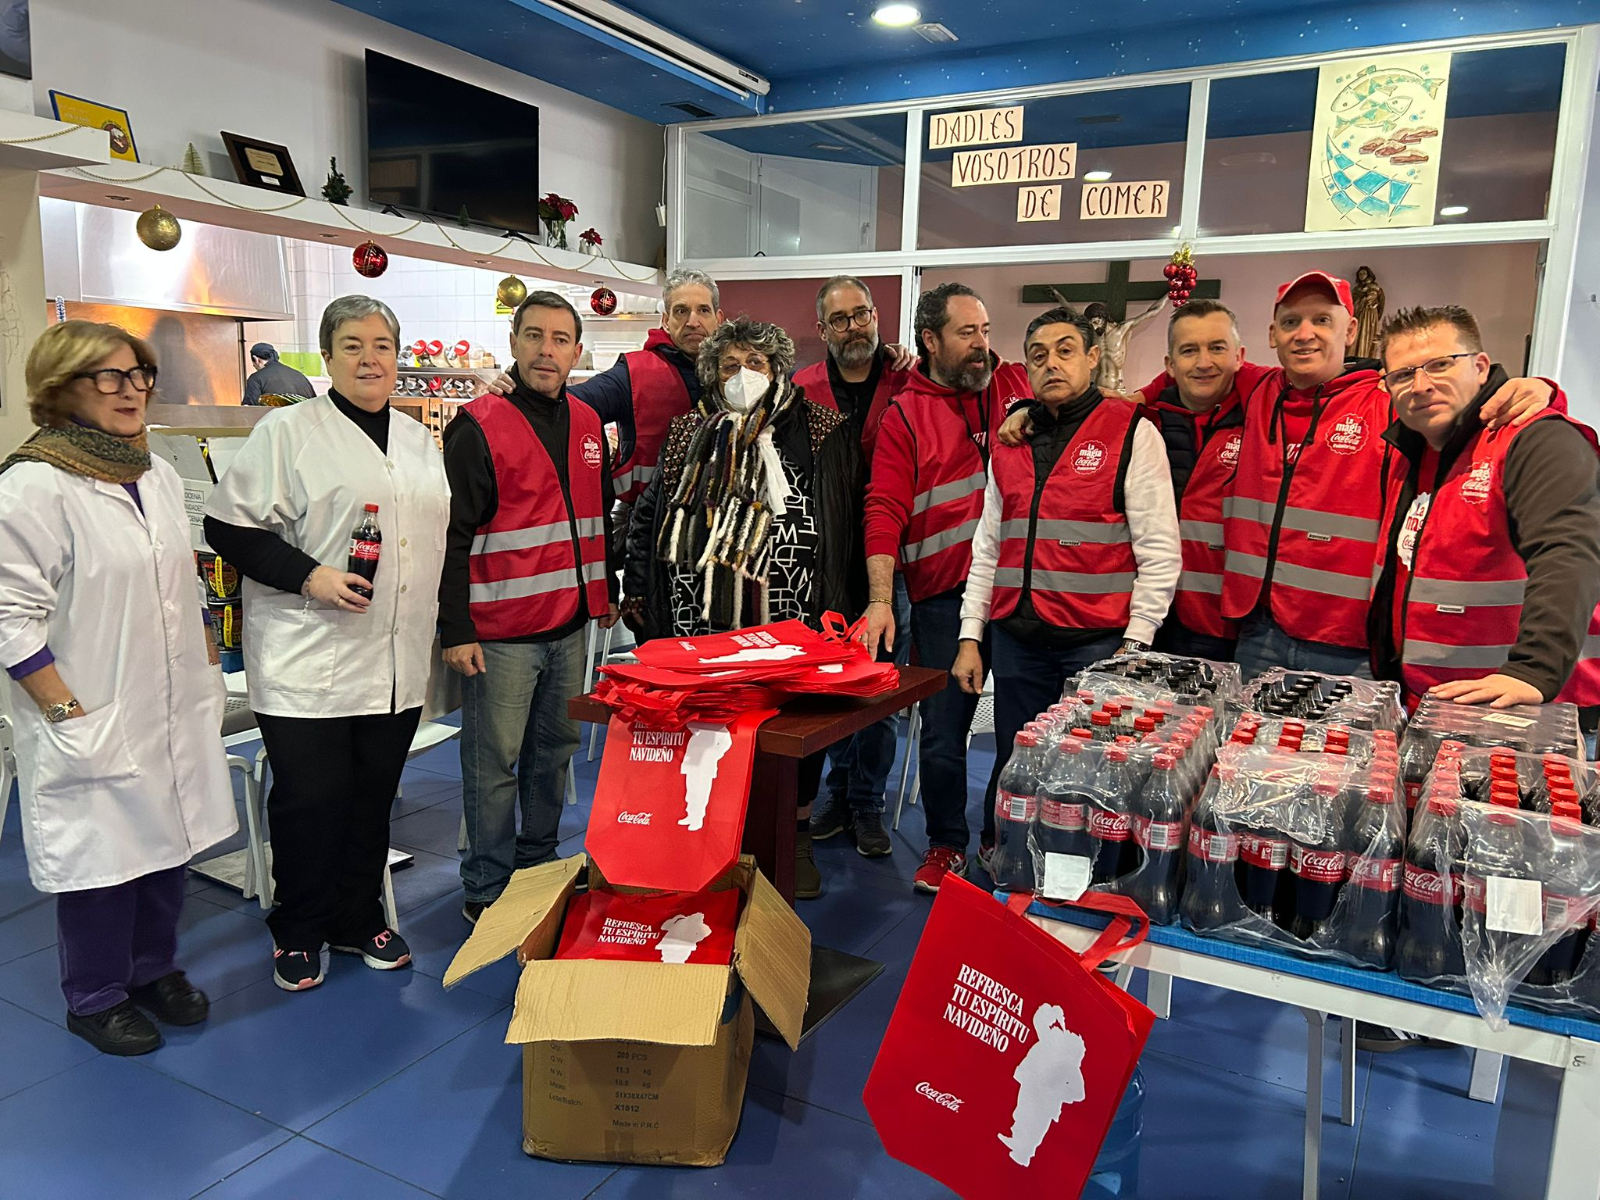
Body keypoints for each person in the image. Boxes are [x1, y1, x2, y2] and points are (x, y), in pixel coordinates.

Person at [0, 321, 236, 1055]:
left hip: (165, 698)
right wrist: (66, 711)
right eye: (107, 377)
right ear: (61, 388)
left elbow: (180, 573)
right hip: (89, 704)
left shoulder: (153, 474)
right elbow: (8, 614)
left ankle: (152, 968)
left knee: (168, 841)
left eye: (138, 374)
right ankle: (95, 995)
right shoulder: (34, 485)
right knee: (102, 860)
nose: (129, 389)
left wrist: (203, 652)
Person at [204, 296, 449, 992]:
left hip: (395, 659)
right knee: (311, 801)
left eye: (382, 345)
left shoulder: (417, 440)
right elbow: (229, 527)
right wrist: (310, 577)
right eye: (352, 345)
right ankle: (298, 927)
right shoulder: (289, 433)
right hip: (308, 658)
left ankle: (357, 916)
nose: (370, 358)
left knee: (373, 797)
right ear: (328, 355)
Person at [624, 316, 864, 897]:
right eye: (729, 366)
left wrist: (841, 609)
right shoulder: (689, 431)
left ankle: (796, 836)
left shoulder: (820, 426)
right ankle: (712, 830)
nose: (742, 375)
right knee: (712, 724)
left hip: (791, 607)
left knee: (791, 727)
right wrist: (640, 595)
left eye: (755, 363)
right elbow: (651, 517)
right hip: (698, 611)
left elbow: (842, 522)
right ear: (711, 375)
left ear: (778, 368)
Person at [1214, 271, 1555, 680]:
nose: (1305, 334)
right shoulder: (1258, 388)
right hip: (1259, 632)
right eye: (1291, 322)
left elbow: (1476, 414)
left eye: (1322, 320)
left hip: (1350, 644)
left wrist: (1543, 389)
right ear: (1272, 335)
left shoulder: (1391, 398)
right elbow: (1198, 370)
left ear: (1351, 330)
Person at [954, 306, 1181, 862]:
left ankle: (1081, 874)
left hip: (1098, 643)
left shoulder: (1133, 431)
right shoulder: (1010, 440)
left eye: (1065, 350)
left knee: (1094, 773)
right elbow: (988, 546)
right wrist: (968, 635)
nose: (1051, 363)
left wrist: (1137, 641)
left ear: (1092, 358)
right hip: (1016, 639)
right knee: (1016, 759)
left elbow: (1159, 547)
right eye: (1038, 355)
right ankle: (1008, 858)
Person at [440, 291, 619, 925]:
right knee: (494, 765)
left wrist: (605, 594)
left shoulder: (590, 423)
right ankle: (487, 885)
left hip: (571, 626)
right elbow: (453, 538)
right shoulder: (477, 425)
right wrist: (455, 630)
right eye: (535, 336)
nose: (548, 351)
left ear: (576, 350)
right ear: (514, 343)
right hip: (501, 634)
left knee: (555, 753)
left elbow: (597, 517)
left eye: (561, 339)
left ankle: (539, 867)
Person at [862, 282, 1032, 893]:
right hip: (940, 602)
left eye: (985, 331)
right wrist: (882, 599)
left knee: (1020, 734)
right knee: (941, 735)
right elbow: (882, 510)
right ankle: (945, 846)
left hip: (1015, 600)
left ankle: (997, 838)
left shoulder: (1016, 387)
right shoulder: (904, 415)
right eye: (967, 333)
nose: (982, 345)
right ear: (929, 341)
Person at [1370, 304, 1600, 710]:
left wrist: (1534, 671)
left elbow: (1569, 551)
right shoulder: (1414, 452)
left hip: (1528, 711)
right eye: (1404, 374)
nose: (1421, 385)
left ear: (1480, 367)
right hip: (1436, 705)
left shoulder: (1534, 440)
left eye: (1440, 365)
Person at [794, 275, 915, 859]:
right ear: (822, 330)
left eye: (861, 315)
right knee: (833, 685)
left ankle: (867, 799)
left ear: (875, 316)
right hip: (826, 565)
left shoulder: (907, 379)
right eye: (839, 320)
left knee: (878, 689)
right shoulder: (802, 389)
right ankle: (838, 793)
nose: (853, 328)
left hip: (891, 563)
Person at [1143, 300, 1258, 662]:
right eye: (1189, 350)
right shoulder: (1143, 422)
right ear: (1170, 365)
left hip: (1224, 624)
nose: (1204, 362)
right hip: (1145, 618)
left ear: (1239, 356)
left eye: (1217, 348)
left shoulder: (1265, 419)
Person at [242, 342, 315, 406]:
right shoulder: (300, 376)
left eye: (253, 363)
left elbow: (248, 410)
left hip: (275, 421)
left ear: (256, 359)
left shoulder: (256, 378)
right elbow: (315, 404)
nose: (253, 366)